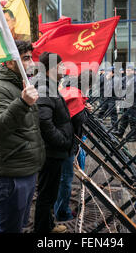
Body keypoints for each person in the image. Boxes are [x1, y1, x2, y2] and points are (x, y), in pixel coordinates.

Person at [0, 41, 45, 233]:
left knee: (19, 226)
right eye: (25, 59)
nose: (31, 63)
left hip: (25, 170)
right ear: (10, 62)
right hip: (10, 177)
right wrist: (22, 103)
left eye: (30, 57)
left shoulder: (19, 83)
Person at [33, 52, 74, 233]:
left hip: (54, 150)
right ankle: (42, 230)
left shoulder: (49, 84)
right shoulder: (44, 85)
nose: (64, 68)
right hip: (51, 151)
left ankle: (47, 225)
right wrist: (63, 141)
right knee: (46, 193)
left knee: (49, 192)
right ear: (52, 68)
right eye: (61, 65)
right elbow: (44, 123)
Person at [54, 71, 93, 222]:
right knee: (65, 180)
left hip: (60, 143)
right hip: (66, 144)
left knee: (61, 179)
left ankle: (58, 208)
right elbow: (79, 120)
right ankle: (62, 213)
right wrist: (86, 110)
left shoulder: (68, 91)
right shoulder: (76, 96)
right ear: (88, 85)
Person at [114, 65, 136, 142]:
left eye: (129, 70)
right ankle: (120, 132)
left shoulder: (135, 80)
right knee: (124, 118)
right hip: (128, 103)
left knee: (133, 121)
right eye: (127, 70)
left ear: (133, 71)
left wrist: (125, 96)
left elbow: (135, 92)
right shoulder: (129, 79)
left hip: (133, 103)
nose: (127, 72)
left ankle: (134, 136)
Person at [98, 67, 120, 131]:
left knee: (113, 113)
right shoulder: (111, 78)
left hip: (112, 98)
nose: (107, 73)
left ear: (113, 72)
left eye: (109, 72)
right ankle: (100, 121)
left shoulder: (116, 79)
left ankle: (115, 128)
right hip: (108, 98)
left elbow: (113, 89)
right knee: (103, 110)